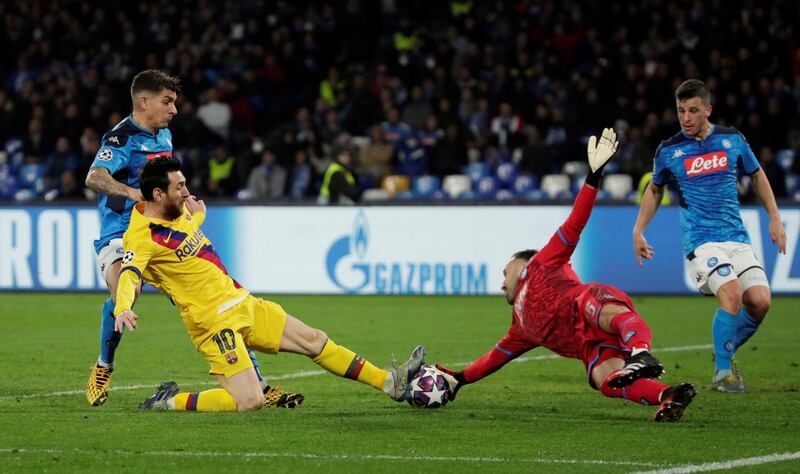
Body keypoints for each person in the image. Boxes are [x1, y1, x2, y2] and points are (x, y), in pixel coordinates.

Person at [114, 156, 425, 412]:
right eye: (179, 186)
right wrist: (123, 306)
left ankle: (389, 382)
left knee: (314, 339)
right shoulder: (141, 236)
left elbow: (185, 235)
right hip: (212, 324)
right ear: (158, 195)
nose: (186, 192)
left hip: (243, 303)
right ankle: (169, 401)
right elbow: (130, 274)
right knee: (250, 401)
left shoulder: (180, 212)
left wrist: (199, 217)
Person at [436, 128, 696, 423]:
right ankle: (668, 396)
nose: (501, 283)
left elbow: (575, 223)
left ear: (522, 263)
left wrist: (593, 176)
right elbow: (494, 358)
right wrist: (460, 379)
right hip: (591, 345)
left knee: (598, 310)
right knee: (606, 380)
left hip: (588, 303)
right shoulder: (520, 329)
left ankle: (640, 353)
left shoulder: (544, 262)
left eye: (504, 273)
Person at [83, 70, 275, 407]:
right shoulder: (121, 138)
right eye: (167, 102)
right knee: (125, 292)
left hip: (164, 234)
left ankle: (259, 382)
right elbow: (95, 176)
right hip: (121, 234)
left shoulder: (164, 136)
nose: (174, 110)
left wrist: (183, 198)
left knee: (217, 297)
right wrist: (133, 192)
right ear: (144, 101)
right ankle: (104, 366)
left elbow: (168, 181)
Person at [633, 79, 787, 393]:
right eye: (680, 111)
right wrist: (638, 230)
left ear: (708, 110)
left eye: (692, 110)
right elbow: (655, 190)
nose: (686, 118)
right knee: (731, 294)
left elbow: (757, 176)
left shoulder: (733, 139)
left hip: (737, 238)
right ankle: (723, 374)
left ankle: (724, 349)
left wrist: (774, 218)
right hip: (701, 241)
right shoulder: (669, 150)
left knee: (759, 301)